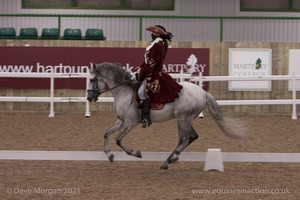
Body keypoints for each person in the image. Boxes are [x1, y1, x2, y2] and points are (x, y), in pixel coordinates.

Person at [131, 25, 183, 128]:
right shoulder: (155, 44)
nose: (152, 35)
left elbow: (151, 65)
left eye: (154, 33)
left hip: (153, 75)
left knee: (141, 92)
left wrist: (140, 75)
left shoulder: (158, 46)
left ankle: (146, 118)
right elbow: (147, 62)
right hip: (148, 72)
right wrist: (138, 69)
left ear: (158, 35)